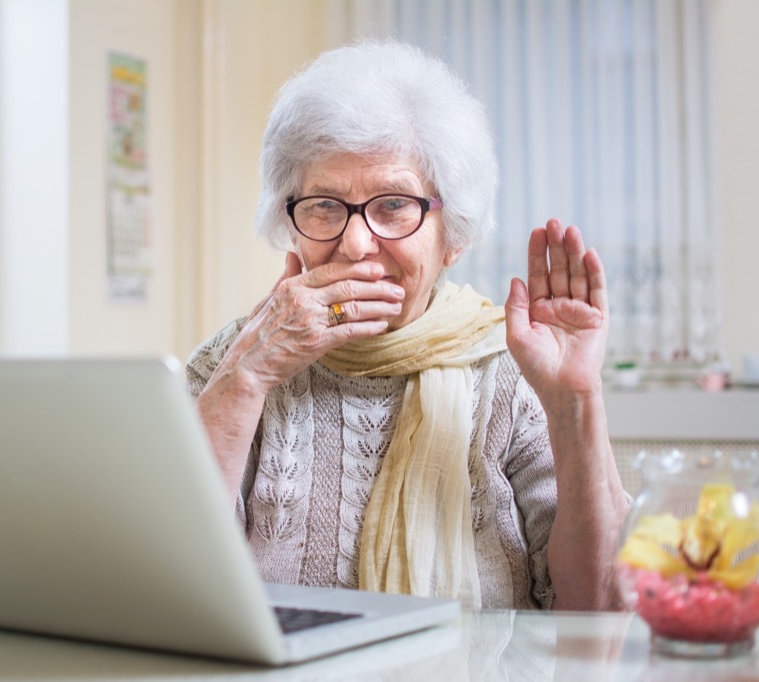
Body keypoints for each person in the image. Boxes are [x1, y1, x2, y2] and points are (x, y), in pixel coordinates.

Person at [186, 40, 629, 610]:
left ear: (454, 235)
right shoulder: (233, 361)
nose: (355, 243)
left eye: (393, 205)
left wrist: (575, 403)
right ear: (288, 222)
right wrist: (246, 378)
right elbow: (166, 586)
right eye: (323, 205)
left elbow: (601, 609)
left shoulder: (511, 374)